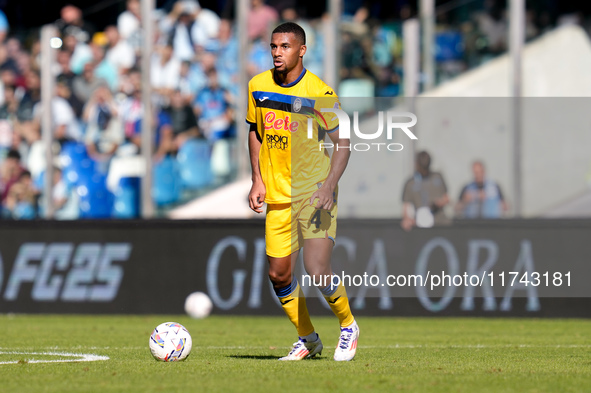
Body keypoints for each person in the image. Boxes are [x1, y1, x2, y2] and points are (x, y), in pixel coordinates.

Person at [247, 22, 359, 362]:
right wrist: (257, 179)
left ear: (301, 50)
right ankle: (307, 339)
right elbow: (255, 132)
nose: (278, 52)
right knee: (278, 274)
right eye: (273, 46)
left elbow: (343, 143)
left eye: (284, 46)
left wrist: (329, 186)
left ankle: (348, 326)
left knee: (316, 268)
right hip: (278, 194)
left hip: (314, 192)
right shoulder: (258, 86)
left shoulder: (321, 94)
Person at [401, 151, 450, 231]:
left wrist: (438, 203)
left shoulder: (437, 177)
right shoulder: (410, 183)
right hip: (419, 224)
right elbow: (406, 206)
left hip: (439, 223)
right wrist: (407, 219)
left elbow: (446, 198)